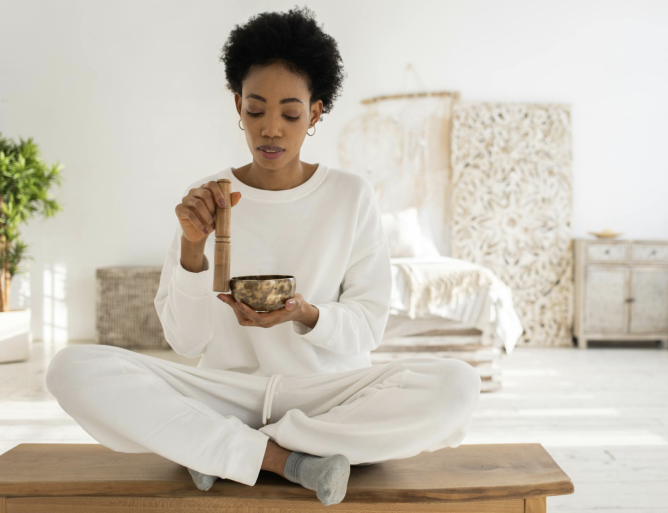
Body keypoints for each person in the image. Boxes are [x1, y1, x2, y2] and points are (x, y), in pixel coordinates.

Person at [45, 6, 480, 506]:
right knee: (70, 368)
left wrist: (305, 314)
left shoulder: (349, 195)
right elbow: (185, 339)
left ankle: (221, 451)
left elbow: (368, 326)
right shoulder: (207, 197)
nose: (271, 128)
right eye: (255, 110)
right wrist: (192, 246)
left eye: (290, 113)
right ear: (237, 105)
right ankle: (287, 462)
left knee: (457, 387)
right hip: (226, 393)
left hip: (326, 396)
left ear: (315, 112)